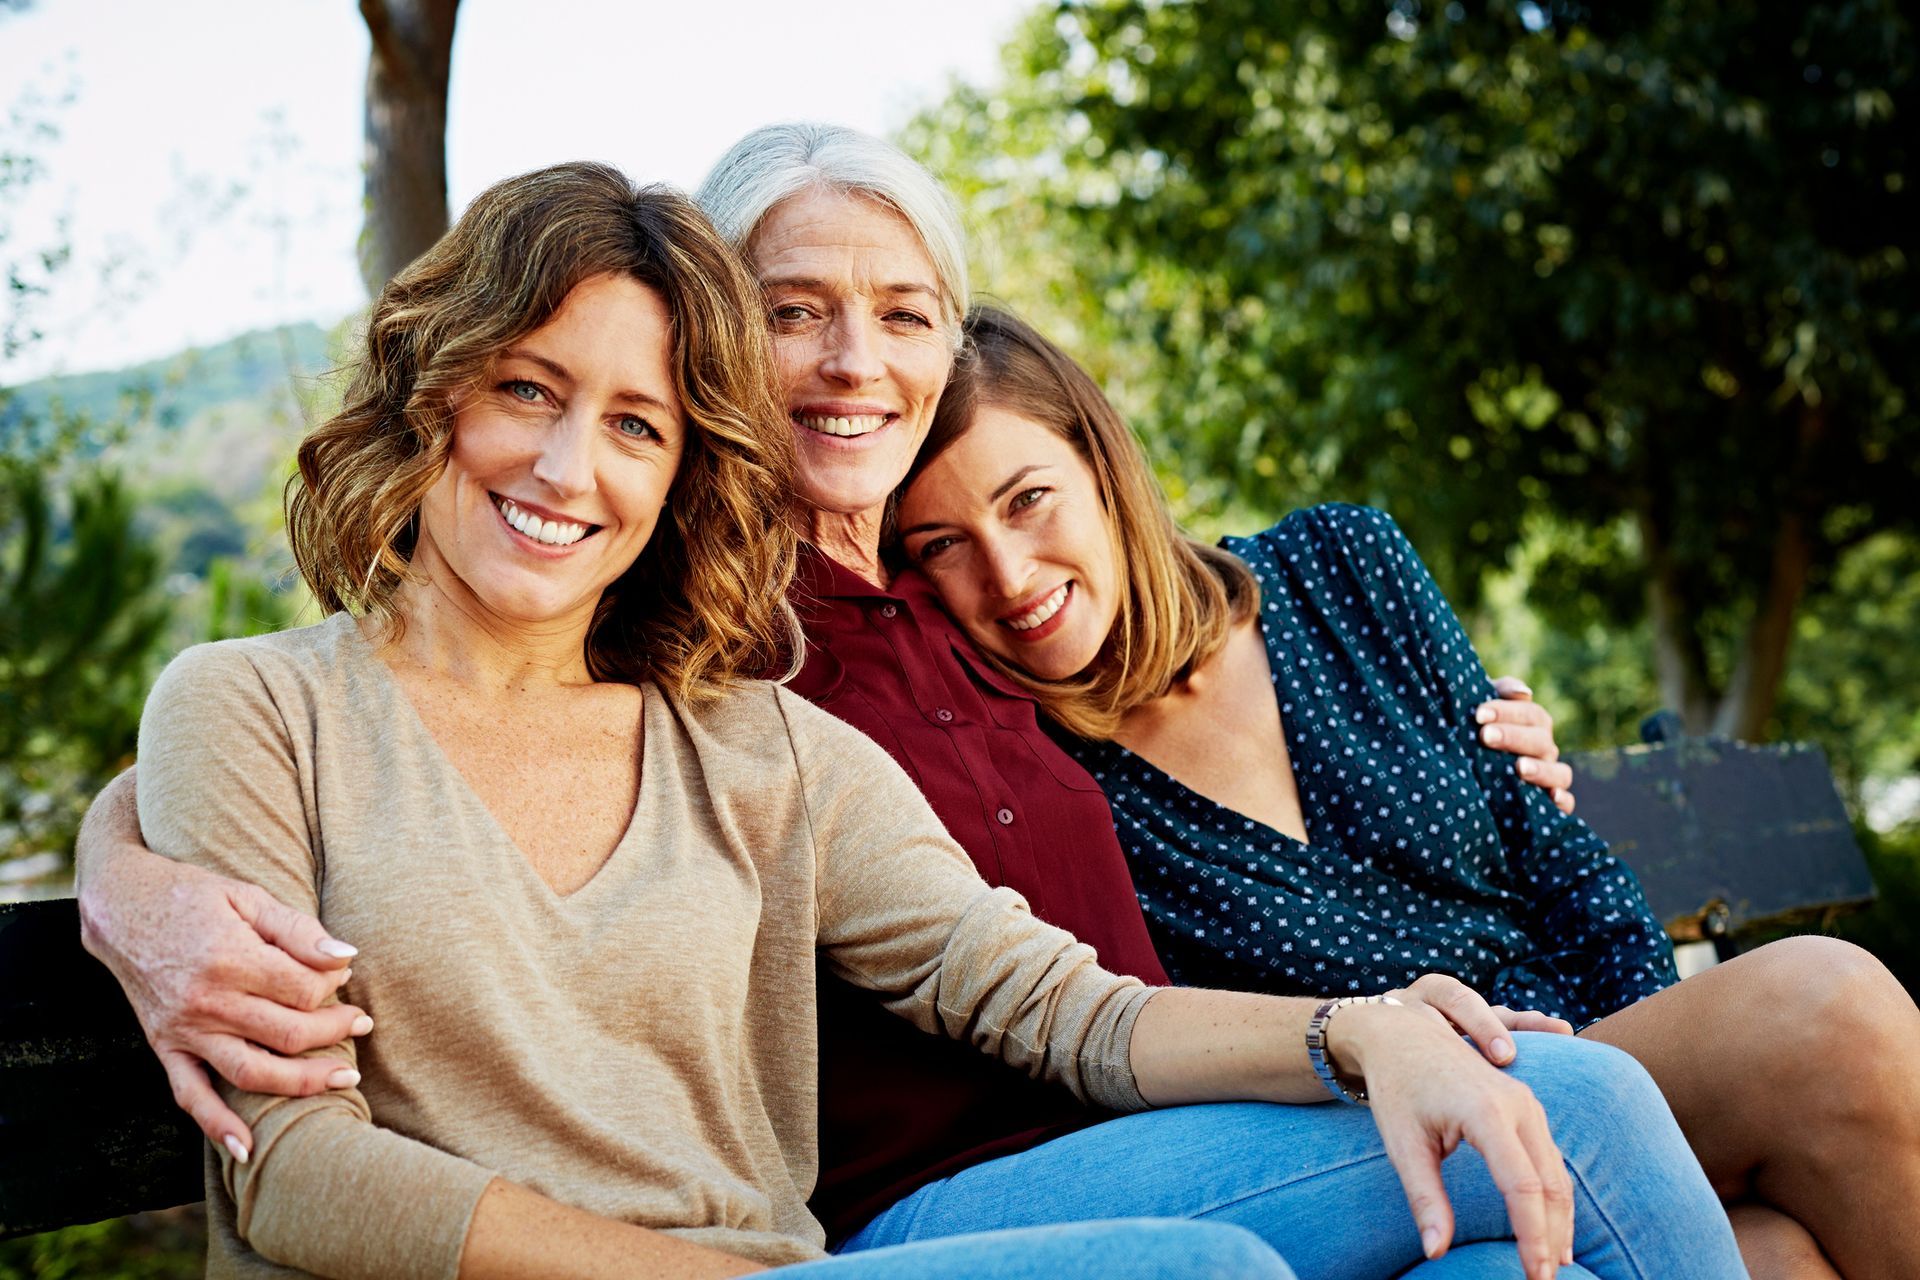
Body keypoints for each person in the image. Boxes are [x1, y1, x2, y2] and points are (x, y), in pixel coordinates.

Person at [74, 133, 1746, 1279]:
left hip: (846, 1244)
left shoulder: (768, 738)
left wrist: (1362, 1027)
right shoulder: (255, 707)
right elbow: (287, 1168)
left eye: (639, 428)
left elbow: (1045, 996)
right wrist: (118, 862)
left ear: (684, 471)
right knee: (1208, 1269)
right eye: (528, 392)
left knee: (1561, 1118)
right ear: (432, 394)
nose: (571, 467)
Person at [895, 302, 1920, 1280]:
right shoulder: (1030, 778)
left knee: (1830, 1016)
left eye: (1028, 498)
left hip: (1593, 1068)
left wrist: (1673, 1132)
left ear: (1101, 462)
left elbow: (1565, 873)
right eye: (943, 546)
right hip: (1385, 1152)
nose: (1009, 570)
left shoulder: (1344, 566)